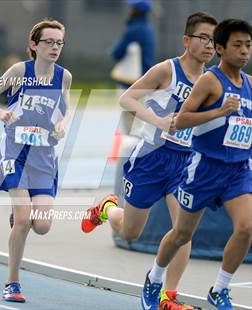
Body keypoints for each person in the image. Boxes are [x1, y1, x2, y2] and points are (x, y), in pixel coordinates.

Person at [81, 12, 218, 310]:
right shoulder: (166, 70)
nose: (210, 45)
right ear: (187, 40)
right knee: (131, 231)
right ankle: (107, 209)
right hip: (151, 157)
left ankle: (169, 297)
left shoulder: (213, 81)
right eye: (204, 38)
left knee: (183, 230)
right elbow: (128, 99)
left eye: (214, 40)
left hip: (185, 163)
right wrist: (156, 119)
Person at [143, 19, 251, 310]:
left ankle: (219, 289)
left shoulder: (251, 84)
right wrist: (218, 111)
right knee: (182, 234)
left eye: (248, 45)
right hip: (204, 169)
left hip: (237, 170)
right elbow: (180, 121)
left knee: (246, 227)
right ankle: (154, 278)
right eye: (237, 45)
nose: (244, 51)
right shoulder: (210, 81)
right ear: (220, 48)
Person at [0, 19, 72, 303]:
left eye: (59, 43)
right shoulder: (20, 71)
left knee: (41, 225)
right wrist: (0, 113)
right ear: (34, 45)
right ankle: (12, 283)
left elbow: (66, 109)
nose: (54, 47)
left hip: (43, 157)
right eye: (48, 42)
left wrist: (63, 124)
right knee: (23, 220)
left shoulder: (63, 77)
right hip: (14, 153)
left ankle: (21, 215)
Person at [110, 0, 155, 88]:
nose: (130, 10)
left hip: (131, 81)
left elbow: (117, 53)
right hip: (145, 77)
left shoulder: (134, 29)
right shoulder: (149, 29)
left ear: (138, 10)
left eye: (133, 8)